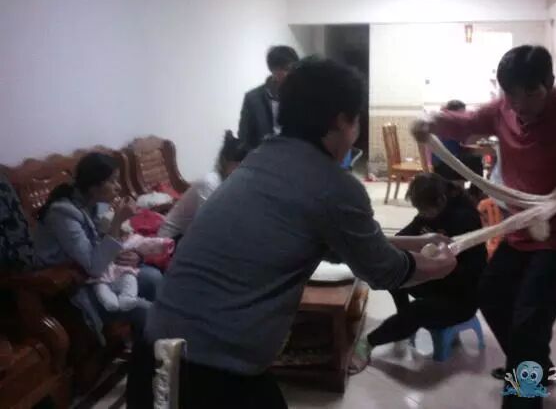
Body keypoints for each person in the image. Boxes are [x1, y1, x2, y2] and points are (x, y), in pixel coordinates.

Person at [141, 59, 457, 408]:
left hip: (155, 354)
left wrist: (417, 243)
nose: (355, 133)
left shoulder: (261, 158)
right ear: (342, 120)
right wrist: (442, 265)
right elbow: (385, 270)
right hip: (209, 372)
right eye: (356, 122)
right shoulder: (333, 185)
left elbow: (336, 243)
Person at [412, 45, 556, 409]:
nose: (519, 104)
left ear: (550, 83)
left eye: (530, 93)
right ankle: (535, 367)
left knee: (529, 322)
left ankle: (524, 394)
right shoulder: (504, 108)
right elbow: (468, 121)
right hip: (522, 228)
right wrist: (433, 122)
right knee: (491, 296)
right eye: (511, 94)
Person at [355, 173, 487, 369]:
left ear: (441, 200)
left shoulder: (465, 219)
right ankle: (403, 321)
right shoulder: (433, 209)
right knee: (395, 271)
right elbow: (408, 233)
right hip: (438, 281)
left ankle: (369, 343)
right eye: (419, 210)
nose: (421, 214)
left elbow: (469, 270)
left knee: (418, 311)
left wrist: (430, 268)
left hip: (462, 294)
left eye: (424, 210)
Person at [32, 153, 162, 344]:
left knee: (154, 277)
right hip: (72, 287)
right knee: (148, 311)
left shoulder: (95, 203)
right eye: (112, 181)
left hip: (101, 274)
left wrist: (135, 255)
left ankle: (144, 344)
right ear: (94, 187)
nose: (118, 186)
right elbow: (93, 266)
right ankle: (149, 353)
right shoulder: (62, 213)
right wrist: (118, 220)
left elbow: (108, 243)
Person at [158, 130, 248, 240]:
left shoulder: (230, 183)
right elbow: (208, 225)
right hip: (172, 238)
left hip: (192, 234)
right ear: (225, 161)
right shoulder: (210, 183)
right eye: (239, 165)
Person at [237, 45, 299, 150]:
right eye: (286, 69)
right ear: (273, 69)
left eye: (293, 69)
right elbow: (244, 137)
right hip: (262, 156)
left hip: (293, 155)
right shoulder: (253, 99)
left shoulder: (299, 96)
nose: (290, 74)